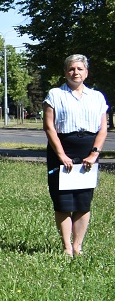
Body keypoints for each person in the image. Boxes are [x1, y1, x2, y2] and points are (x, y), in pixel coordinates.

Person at [43, 54, 108, 257]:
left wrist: (94, 154)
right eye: (71, 69)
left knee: (83, 202)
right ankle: (67, 248)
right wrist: (61, 155)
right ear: (65, 72)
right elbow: (49, 127)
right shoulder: (55, 94)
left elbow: (103, 129)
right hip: (61, 151)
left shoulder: (97, 97)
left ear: (86, 72)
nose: (75, 72)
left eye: (80, 69)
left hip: (88, 153)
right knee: (63, 202)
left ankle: (78, 246)